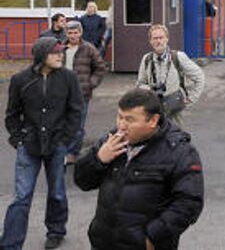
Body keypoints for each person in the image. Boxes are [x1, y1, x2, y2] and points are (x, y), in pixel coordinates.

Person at [74, 89, 204, 250]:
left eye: (130, 120)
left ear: (153, 120)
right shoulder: (111, 141)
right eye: (120, 117)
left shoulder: (179, 151)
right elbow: (82, 181)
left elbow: (189, 203)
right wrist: (99, 159)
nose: (121, 125)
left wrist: (152, 237)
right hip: (104, 243)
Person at [1, 37, 83, 250]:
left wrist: (65, 140)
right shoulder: (20, 80)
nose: (60, 55)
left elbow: (76, 112)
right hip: (29, 146)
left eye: (61, 52)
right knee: (22, 196)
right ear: (41, 55)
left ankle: (56, 230)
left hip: (57, 145)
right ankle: (10, 244)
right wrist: (18, 139)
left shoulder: (69, 78)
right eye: (55, 52)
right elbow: (11, 115)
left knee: (56, 191)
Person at [136, 24, 206, 126]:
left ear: (167, 39)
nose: (158, 41)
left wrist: (191, 98)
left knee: (175, 138)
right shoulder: (147, 59)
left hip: (174, 108)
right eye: (155, 38)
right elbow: (140, 84)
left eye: (161, 37)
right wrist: (150, 90)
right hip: (154, 108)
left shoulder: (178, 57)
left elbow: (199, 76)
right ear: (150, 41)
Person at [63, 20, 106, 165]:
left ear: (80, 33)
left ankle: (72, 153)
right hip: (62, 93)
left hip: (82, 93)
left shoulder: (88, 48)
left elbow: (100, 67)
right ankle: (61, 151)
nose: (73, 35)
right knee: (62, 123)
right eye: (70, 33)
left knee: (78, 125)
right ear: (66, 33)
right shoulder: (60, 48)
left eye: (76, 32)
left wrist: (90, 84)